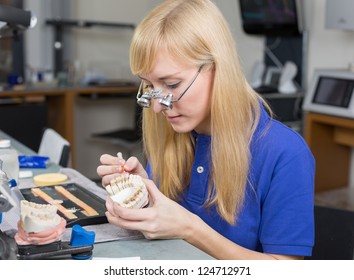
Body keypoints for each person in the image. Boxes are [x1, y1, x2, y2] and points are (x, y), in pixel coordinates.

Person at [97, 0, 315, 260]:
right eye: (149, 85)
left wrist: (191, 229)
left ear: (218, 68)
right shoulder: (174, 131)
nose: (157, 107)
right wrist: (143, 194)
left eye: (172, 84)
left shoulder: (285, 153)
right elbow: (168, 233)